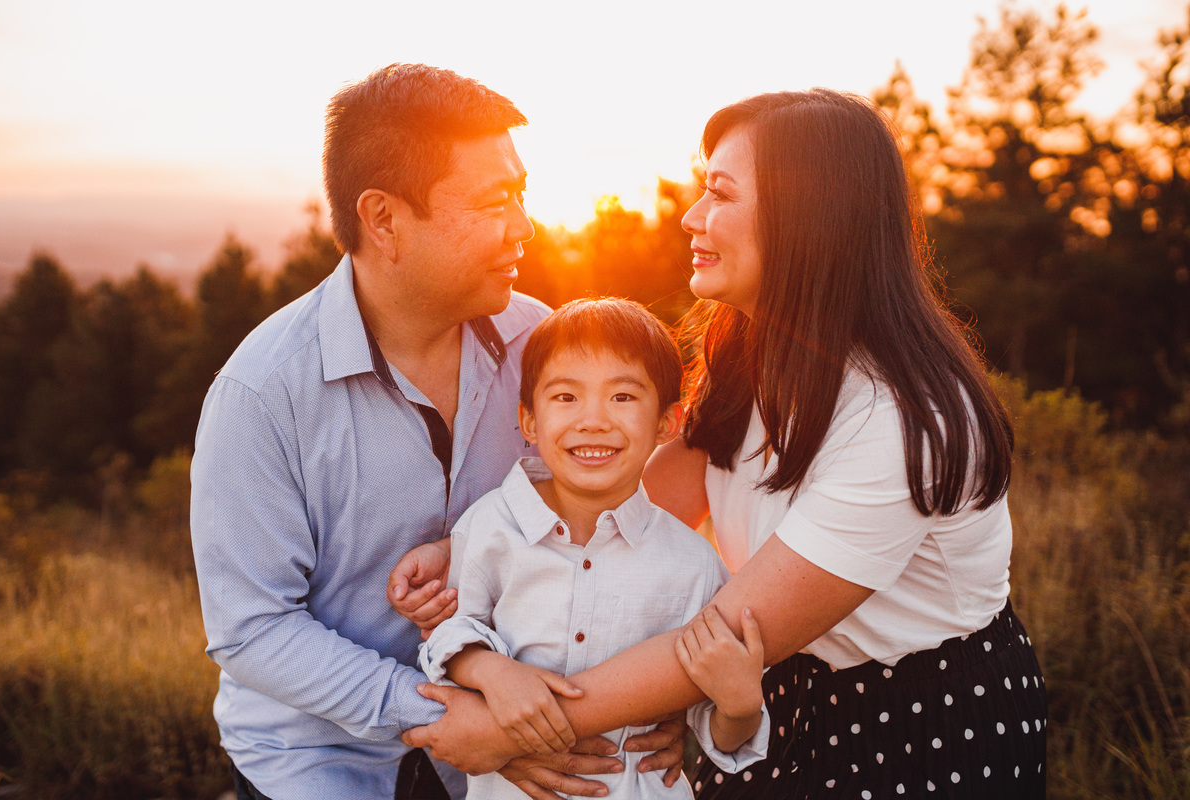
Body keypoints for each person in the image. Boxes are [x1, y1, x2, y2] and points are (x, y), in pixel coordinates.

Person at [392, 89, 1048, 800]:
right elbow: (643, 500)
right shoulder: (758, 353)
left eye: (719, 193)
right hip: (765, 695)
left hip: (914, 729)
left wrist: (513, 729)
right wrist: (469, 548)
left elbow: (726, 632)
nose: (690, 217)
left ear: (807, 220)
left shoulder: (898, 421)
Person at [189, 63, 683, 800]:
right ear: (384, 219)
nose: (525, 225)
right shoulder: (261, 393)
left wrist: (652, 698)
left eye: (521, 195)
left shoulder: (544, 348)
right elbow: (252, 628)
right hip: (320, 763)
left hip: (518, 756)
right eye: (494, 202)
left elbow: (603, 518)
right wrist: (447, 716)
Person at [416, 298, 769, 799]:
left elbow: (714, 731)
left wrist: (738, 708)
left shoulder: (694, 566)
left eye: (623, 397)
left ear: (669, 422)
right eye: (566, 397)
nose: (594, 420)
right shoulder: (491, 529)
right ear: (530, 421)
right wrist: (490, 670)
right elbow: (447, 636)